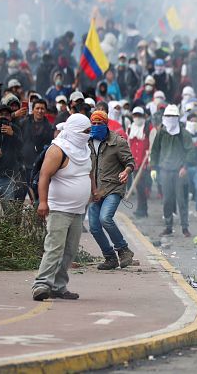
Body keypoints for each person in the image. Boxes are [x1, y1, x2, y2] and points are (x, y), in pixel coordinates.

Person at [32, 114, 93, 301]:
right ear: (74, 131)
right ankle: (41, 285)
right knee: (54, 248)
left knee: (70, 250)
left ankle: (59, 286)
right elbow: (44, 175)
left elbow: (88, 173)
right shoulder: (58, 149)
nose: (88, 134)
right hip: (59, 208)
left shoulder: (84, 149)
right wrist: (43, 202)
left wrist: (93, 191)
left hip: (78, 210)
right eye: (85, 131)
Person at [87, 110, 136, 270]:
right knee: (94, 226)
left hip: (113, 188)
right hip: (95, 191)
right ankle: (110, 257)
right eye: (93, 123)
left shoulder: (117, 141)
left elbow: (130, 162)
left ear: (106, 124)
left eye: (99, 124)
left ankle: (123, 250)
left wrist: (126, 171)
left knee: (105, 218)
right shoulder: (86, 142)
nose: (96, 126)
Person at [151, 104, 195, 237]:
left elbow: (191, 151)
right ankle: (168, 227)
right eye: (168, 116)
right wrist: (153, 167)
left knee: (182, 200)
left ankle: (185, 227)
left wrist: (185, 167)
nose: (171, 118)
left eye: (173, 116)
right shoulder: (161, 133)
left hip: (179, 172)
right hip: (165, 170)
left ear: (178, 117)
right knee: (167, 200)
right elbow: (155, 151)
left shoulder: (184, 133)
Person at [127, 107, 151, 217]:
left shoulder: (148, 128)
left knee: (142, 186)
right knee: (138, 187)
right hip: (134, 162)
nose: (137, 118)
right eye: (135, 115)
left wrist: (149, 159)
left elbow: (152, 143)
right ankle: (142, 209)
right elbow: (128, 144)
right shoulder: (130, 128)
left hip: (144, 162)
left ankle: (143, 210)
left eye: (139, 115)